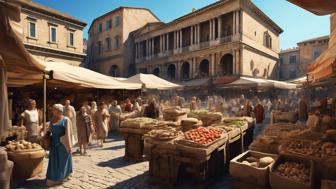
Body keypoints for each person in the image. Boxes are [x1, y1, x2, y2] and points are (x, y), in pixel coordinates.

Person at [46, 104, 73, 187]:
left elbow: (69, 133)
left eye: (54, 109)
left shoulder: (66, 120)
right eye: (53, 109)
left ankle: (63, 177)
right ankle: (53, 178)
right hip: (54, 144)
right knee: (54, 161)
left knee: (63, 161)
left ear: (59, 111)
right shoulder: (52, 119)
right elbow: (49, 130)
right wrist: (45, 136)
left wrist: (68, 145)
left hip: (63, 144)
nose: (53, 111)